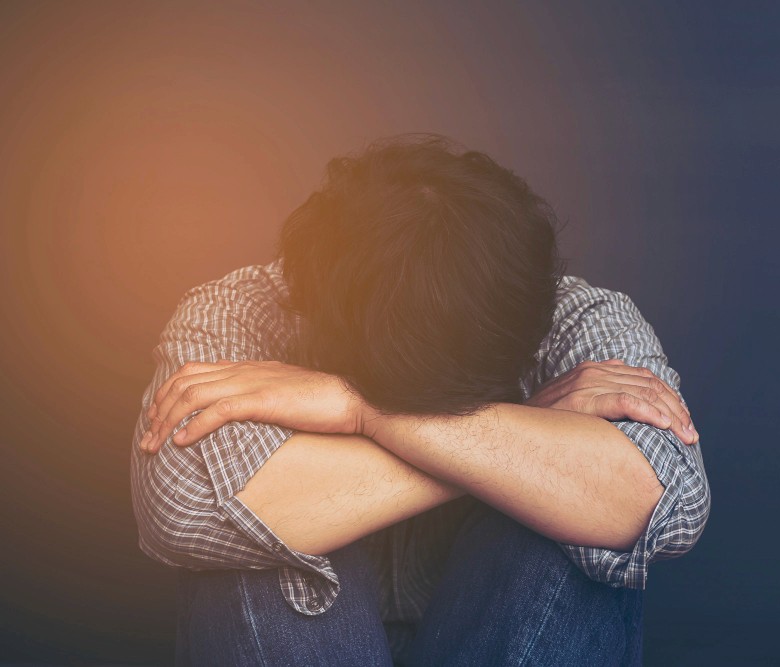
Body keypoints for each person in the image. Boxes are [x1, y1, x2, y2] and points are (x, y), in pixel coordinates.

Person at [130, 135, 710, 666]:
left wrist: (363, 412)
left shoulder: (574, 315)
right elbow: (180, 510)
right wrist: (520, 431)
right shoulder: (241, 311)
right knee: (258, 540)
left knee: (579, 527)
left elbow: (668, 505)